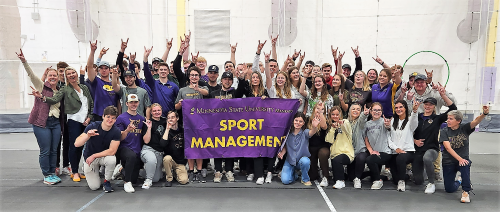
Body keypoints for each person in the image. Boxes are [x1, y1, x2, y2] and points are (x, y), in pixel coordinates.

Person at [33, 65, 94, 182]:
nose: (72, 75)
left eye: (73, 73)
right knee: (74, 146)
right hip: (73, 121)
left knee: (81, 146)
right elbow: (55, 99)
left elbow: (91, 103)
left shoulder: (84, 87)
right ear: (66, 77)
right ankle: (74, 171)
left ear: (76, 74)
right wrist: (42, 97)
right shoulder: (65, 89)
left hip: (85, 121)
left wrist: (90, 117)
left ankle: (77, 170)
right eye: (69, 74)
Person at [18, 49, 62, 185]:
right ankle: (46, 174)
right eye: (50, 75)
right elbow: (31, 75)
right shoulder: (42, 87)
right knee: (46, 150)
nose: (53, 77)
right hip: (41, 122)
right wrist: (24, 61)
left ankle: (52, 171)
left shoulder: (60, 91)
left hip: (55, 123)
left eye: (55, 75)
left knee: (54, 150)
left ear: (59, 77)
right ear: (47, 77)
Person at [412, 85, 457, 194]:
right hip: (418, 150)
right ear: (423, 105)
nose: (428, 106)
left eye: (431, 105)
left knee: (427, 158)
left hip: (432, 149)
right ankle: (424, 172)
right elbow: (409, 130)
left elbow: (453, 109)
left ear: (434, 106)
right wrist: (414, 141)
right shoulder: (416, 116)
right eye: (426, 104)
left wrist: (443, 95)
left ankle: (431, 183)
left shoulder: (437, 119)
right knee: (418, 181)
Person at [440, 106, 489, 203]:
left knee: (465, 164)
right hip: (448, 161)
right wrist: (459, 159)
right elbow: (448, 148)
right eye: (448, 119)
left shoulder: (465, 128)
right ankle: (459, 181)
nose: (448, 121)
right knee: (449, 189)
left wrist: (484, 113)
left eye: (451, 119)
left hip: (462, 160)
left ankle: (466, 191)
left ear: (458, 121)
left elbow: (476, 121)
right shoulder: (444, 131)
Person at [209, 71, 246, 183]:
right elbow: (206, 108)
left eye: (230, 79)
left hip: (232, 126)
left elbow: (241, 89)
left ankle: (229, 171)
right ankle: (218, 171)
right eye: (225, 79)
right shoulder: (214, 93)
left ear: (232, 81)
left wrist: (242, 79)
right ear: (221, 80)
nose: (227, 81)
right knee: (218, 148)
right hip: (217, 126)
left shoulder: (235, 93)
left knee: (230, 148)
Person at [75, 106, 121, 192]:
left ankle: (107, 181)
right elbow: (77, 144)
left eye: (113, 118)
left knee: (112, 159)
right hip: (90, 158)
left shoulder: (116, 131)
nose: (110, 120)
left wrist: (94, 155)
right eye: (108, 117)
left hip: (102, 156)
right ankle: (92, 170)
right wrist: (88, 136)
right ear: (103, 116)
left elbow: (112, 151)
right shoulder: (93, 126)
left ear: (115, 120)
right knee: (94, 187)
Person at [175, 66, 209, 183]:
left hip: (200, 124)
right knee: (190, 148)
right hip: (187, 124)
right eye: (192, 75)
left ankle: (199, 171)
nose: (194, 77)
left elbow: (207, 93)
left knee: (199, 147)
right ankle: (190, 170)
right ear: (189, 77)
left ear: (199, 77)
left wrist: (198, 89)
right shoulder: (182, 90)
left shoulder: (203, 87)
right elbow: (176, 106)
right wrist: (180, 104)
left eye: (196, 75)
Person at [114, 94, 146, 193]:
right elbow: (119, 137)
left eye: (135, 102)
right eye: (131, 102)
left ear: (138, 103)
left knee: (135, 179)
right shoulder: (121, 118)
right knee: (130, 156)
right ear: (127, 103)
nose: (133, 104)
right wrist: (127, 130)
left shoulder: (142, 119)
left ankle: (121, 169)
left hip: (137, 150)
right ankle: (127, 182)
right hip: (124, 148)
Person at [278, 113, 320, 186]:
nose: (298, 123)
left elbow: (311, 133)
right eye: (296, 120)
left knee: (306, 161)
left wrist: (314, 127)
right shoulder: (288, 133)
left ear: (303, 123)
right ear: (293, 121)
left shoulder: (305, 132)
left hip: (301, 160)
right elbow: (286, 146)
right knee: (285, 181)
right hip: (290, 160)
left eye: (300, 121)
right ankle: (294, 175)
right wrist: (282, 153)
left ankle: (305, 179)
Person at [388, 100, 419, 192]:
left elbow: (414, 123)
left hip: (407, 151)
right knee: (394, 180)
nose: (398, 109)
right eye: (396, 108)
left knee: (401, 158)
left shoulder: (410, 120)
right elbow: (388, 138)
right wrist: (396, 148)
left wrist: (414, 111)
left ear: (405, 108)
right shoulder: (392, 121)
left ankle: (402, 182)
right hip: (395, 151)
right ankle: (405, 176)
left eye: (401, 107)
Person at [86, 40, 119, 122]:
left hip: (113, 116)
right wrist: (92, 51)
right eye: (101, 68)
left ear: (109, 70)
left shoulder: (115, 84)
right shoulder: (96, 81)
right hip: (99, 115)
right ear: (99, 70)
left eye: (106, 68)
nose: (104, 70)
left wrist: (119, 115)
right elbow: (89, 66)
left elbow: (118, 101)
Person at [143, 46, 180, 117]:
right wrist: (145, 59)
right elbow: (147, 74)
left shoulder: (174, 86)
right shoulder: (153, 83)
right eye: (161, 70)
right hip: (156, 117)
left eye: (165, 70)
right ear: (158, 71)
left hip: (169, 118)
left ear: (168, 72)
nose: (163, 71)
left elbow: (178, 102)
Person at [364, 102, 393, 189]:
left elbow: (388, 127)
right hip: (374, 153)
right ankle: (384, 177)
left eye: (379, 110)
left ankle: (378, 181)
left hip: (385, 152)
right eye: (375, 110)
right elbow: (366, 139)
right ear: (371, 111)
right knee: (370, 175)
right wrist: (371, 151)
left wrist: (388, 125)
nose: (377, 112)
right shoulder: (367, 124)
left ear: (382, 112)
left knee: (370, 160)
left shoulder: (384, 121)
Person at [325, 106, 354, 189]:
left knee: (338, 160)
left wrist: (341, 123)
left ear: (340, 114)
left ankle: (341, 181)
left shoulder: (345, 122)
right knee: (336, 162)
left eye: (337, 114)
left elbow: (347, 128)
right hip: (334, 155)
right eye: (333, 114)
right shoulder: (331, 126)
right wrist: (333, 129)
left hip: (346, 154)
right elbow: (328, 140)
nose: (335, 116)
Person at [140, 103, 166, 189]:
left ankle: (136, 172)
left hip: (159, 152)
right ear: (151, 112)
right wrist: (149, 128)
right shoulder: (147, 122)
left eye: (158, 110)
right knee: (151, 160)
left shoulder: (165, 121)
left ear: (161, 111)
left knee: (156, 179)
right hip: (148, 149)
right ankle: (147, 180)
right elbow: (146, 141)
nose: (157, 112)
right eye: (154, 111)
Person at [162, 111, 189, 187]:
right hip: (170, 160)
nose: (170, 119)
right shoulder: (166, 131)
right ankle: (169, 178)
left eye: (173, 117)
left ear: (177, 118)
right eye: (168, 118)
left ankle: (174, 173)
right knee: (167, 159)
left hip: (180, 161)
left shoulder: (183, 130)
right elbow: (163, 144)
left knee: (184, 181)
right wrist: (167, 129)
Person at [346, 103, 370, 188]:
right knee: (350, 177)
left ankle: (357, 179)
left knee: (361, 158)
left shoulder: (361, 122)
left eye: (358, 109)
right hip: (350, 151)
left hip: (360, 150)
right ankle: (370, 174)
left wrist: (365, 114)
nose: (355, 111)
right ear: (350, 111)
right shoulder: (346, 122)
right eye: (353, 109)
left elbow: (362, 119)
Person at [307, 102, 329, 187]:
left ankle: (326, 177)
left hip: (322, 147)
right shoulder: (308, 120)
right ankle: (317, 170)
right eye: (317, 108)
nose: (319, 110)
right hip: (311, 148)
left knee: (322, 153)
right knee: (313, 177)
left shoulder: (325, 120)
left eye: (322, 109)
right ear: (313, 109)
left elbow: (324, 126)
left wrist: (320, 112)